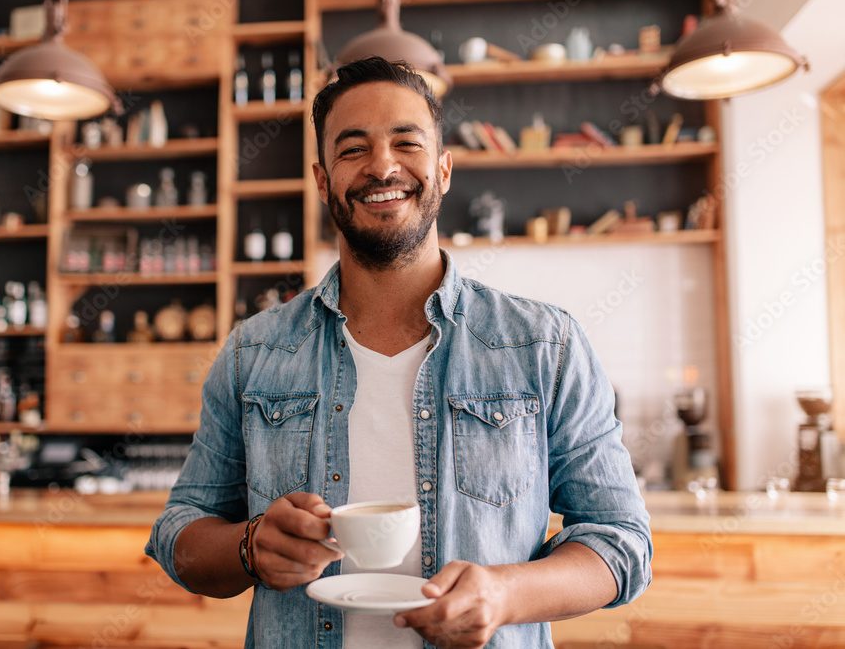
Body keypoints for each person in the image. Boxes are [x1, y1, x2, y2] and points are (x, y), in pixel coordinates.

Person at [147, 56, 652, 648]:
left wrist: (505, 594)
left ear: (443, 169)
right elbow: (179, 533)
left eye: (406, 143)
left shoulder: (546, 345)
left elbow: (622, 543)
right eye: (353, 149)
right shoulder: (253, 351)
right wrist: (250, 546)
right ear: (321, 179)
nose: (381, 165)